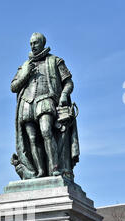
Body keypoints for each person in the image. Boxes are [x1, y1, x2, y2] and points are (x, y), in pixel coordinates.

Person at [11, 32, 79, 180]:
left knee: (46, 131)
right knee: (32, 138)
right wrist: (25, 74)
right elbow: (13, 86)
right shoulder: (24, 66)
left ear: (42, 43)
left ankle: (55, 168)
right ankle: (40, 171)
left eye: (35, 43)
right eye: (31, 43)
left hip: (46, 99)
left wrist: (63, 95)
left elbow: (68, 82)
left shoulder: (55, 61)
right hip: (27, 103)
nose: (33, 46)